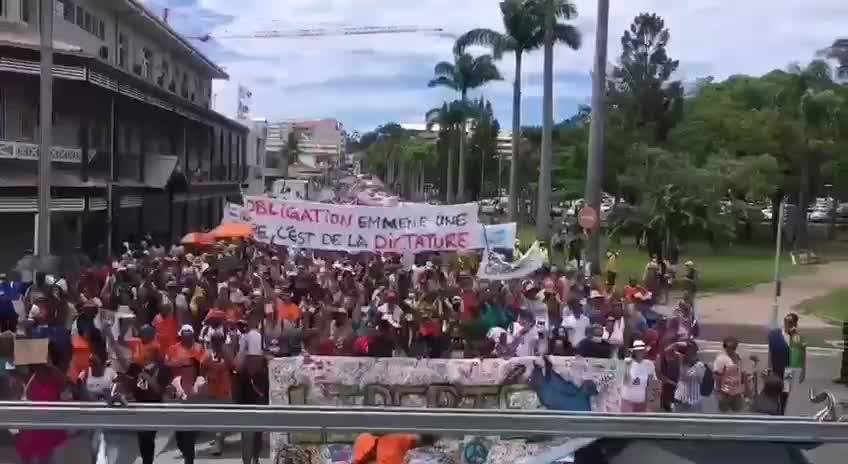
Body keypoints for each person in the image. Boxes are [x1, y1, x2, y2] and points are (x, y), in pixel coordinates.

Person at [16, 342, 69, 464]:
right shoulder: (33, 380)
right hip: (37, 425)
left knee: (48, 458)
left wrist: (50, 365)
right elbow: (27, 398)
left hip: (53, 426)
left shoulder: (55, 375)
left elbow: (64, 385)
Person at [167, 359, 206, 464]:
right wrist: (172, 394)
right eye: (183, 366)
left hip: (194, 418)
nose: (184, 369)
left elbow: (195, 395)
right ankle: (188, 458)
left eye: (187, 366)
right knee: (180, 443)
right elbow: (171, 396)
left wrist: (188, 388)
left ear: (194, 369)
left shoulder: (200, 380)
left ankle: (189, 460)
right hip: (179, 419)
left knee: (189, 443)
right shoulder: (176, 380)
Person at [768, 313, 806, 415]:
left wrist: (803, 370)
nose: (787, 324)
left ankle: (781, 413)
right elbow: (770, 352)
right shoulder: (775, 334)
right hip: (776, 367)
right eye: (786, 321)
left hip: (788, 369)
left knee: (785, 392)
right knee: (775, 390)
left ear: (795, 324)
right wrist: (769, 367)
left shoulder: (796, 337)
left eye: (790, 322)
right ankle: (774, 411)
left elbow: (802, 353)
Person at [670, 341, 708, 413]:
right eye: (687, 351)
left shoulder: (700, 366)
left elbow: (700, 381)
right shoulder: (680, 360)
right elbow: (668, 351)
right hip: (679, 399)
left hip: (694, 401)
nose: (688, 354)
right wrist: (677, 344)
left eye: (691, 352)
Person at [620, 340, 655, 412]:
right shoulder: (627, 363)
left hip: (641, 401)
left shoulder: (649, 364)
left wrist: (648, 403)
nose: (640, 352)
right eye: (638, 351)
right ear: (634, 352)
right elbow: (625, 382)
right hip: (628, 399)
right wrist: (627, 367)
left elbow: (650, 385)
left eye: (642, 350)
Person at [713, 336, 745, 413]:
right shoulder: (721, 359)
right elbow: (717, 376)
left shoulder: (738, 357)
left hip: (737, 393)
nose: (730, 349)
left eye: (733, 347)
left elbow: (742, 374)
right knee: (724, 414)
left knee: (738, 413)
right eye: (728, 347)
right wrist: (718, 392)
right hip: (725, 393)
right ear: (725, 347)